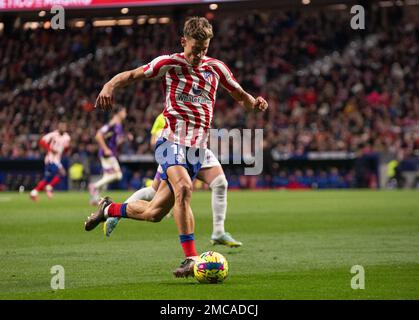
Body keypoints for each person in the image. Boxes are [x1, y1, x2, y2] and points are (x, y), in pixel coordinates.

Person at [84, 17, 268, 278]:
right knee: (184, 187)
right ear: (184, 42)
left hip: (196, 150)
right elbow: (133, 74)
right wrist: (109, 85)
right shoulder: (169, 63)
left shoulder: (216, 69)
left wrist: (255, 104)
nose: (199, 55)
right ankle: (190, 258)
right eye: (195, 49)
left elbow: (240, 95)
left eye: (204, 49)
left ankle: (109, 209)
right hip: (170, 141)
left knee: (154, 213)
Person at [104, 113, 243, 248]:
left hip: (198, 149)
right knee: (154, 193)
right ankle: (116, 214)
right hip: (175, 152)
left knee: (220, 183)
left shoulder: (199, 103)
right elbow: (154, 140)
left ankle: (218, 232)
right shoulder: (166, 114)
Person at [88, 107, 131, 205]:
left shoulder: (118, 125)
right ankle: (94, 186)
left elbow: (116, 140)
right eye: (124, 111)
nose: (126, 114)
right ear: (119, 112)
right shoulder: (112, 123)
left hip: (110, 152)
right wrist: (106, 149)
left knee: (107, 176)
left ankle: (95, 198)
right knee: (118, 175)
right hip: (107, 153)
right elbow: (98, 135)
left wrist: (125, 137)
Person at [30, 121, 71, 201]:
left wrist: (66, 150)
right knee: (62, 173)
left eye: (64, 126)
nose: (62, 128)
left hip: (57, 159)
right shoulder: (53, 134)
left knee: (47, 178)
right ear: (58, 127)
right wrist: (50, 149)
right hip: (51, 159)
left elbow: (65, 149)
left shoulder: (67, 137)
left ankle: (34, 192)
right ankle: (49, 187)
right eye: (61, 126)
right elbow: (42, 141)